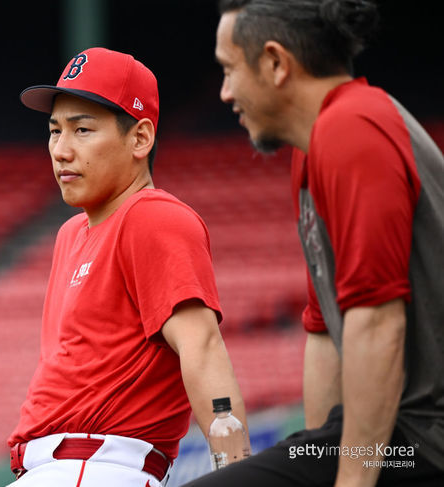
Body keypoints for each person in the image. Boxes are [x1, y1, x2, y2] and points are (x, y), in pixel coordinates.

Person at [182, 1, 444, 486]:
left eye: (229, 70)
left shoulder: (353, 129)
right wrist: (317, 459)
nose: (223, 93)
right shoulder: (315, 148)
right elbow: (325, 332)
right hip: (395, 439)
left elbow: (378, 323)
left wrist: (350, 482)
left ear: (277, 63)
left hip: (423, 444)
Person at [7, 47, 248, 486]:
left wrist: (235, 471)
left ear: (139, 138)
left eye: (82, 130)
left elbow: (204, 349)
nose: (61, 150)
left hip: (99, 466)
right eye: (54, 130)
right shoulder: (70, 235)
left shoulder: (153, 216)